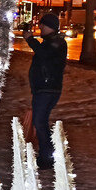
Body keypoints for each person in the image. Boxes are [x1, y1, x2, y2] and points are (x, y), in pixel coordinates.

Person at [24, 11, 68, 169]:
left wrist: (30, 39)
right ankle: (47, 154)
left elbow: (44, 55)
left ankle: (47, 157)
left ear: (50, 26)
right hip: (44, 88)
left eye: (42, 24)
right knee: (40, 121)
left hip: (47, 88)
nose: (40, 27)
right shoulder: (51, 42)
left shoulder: (56, 42)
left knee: (39, 122)